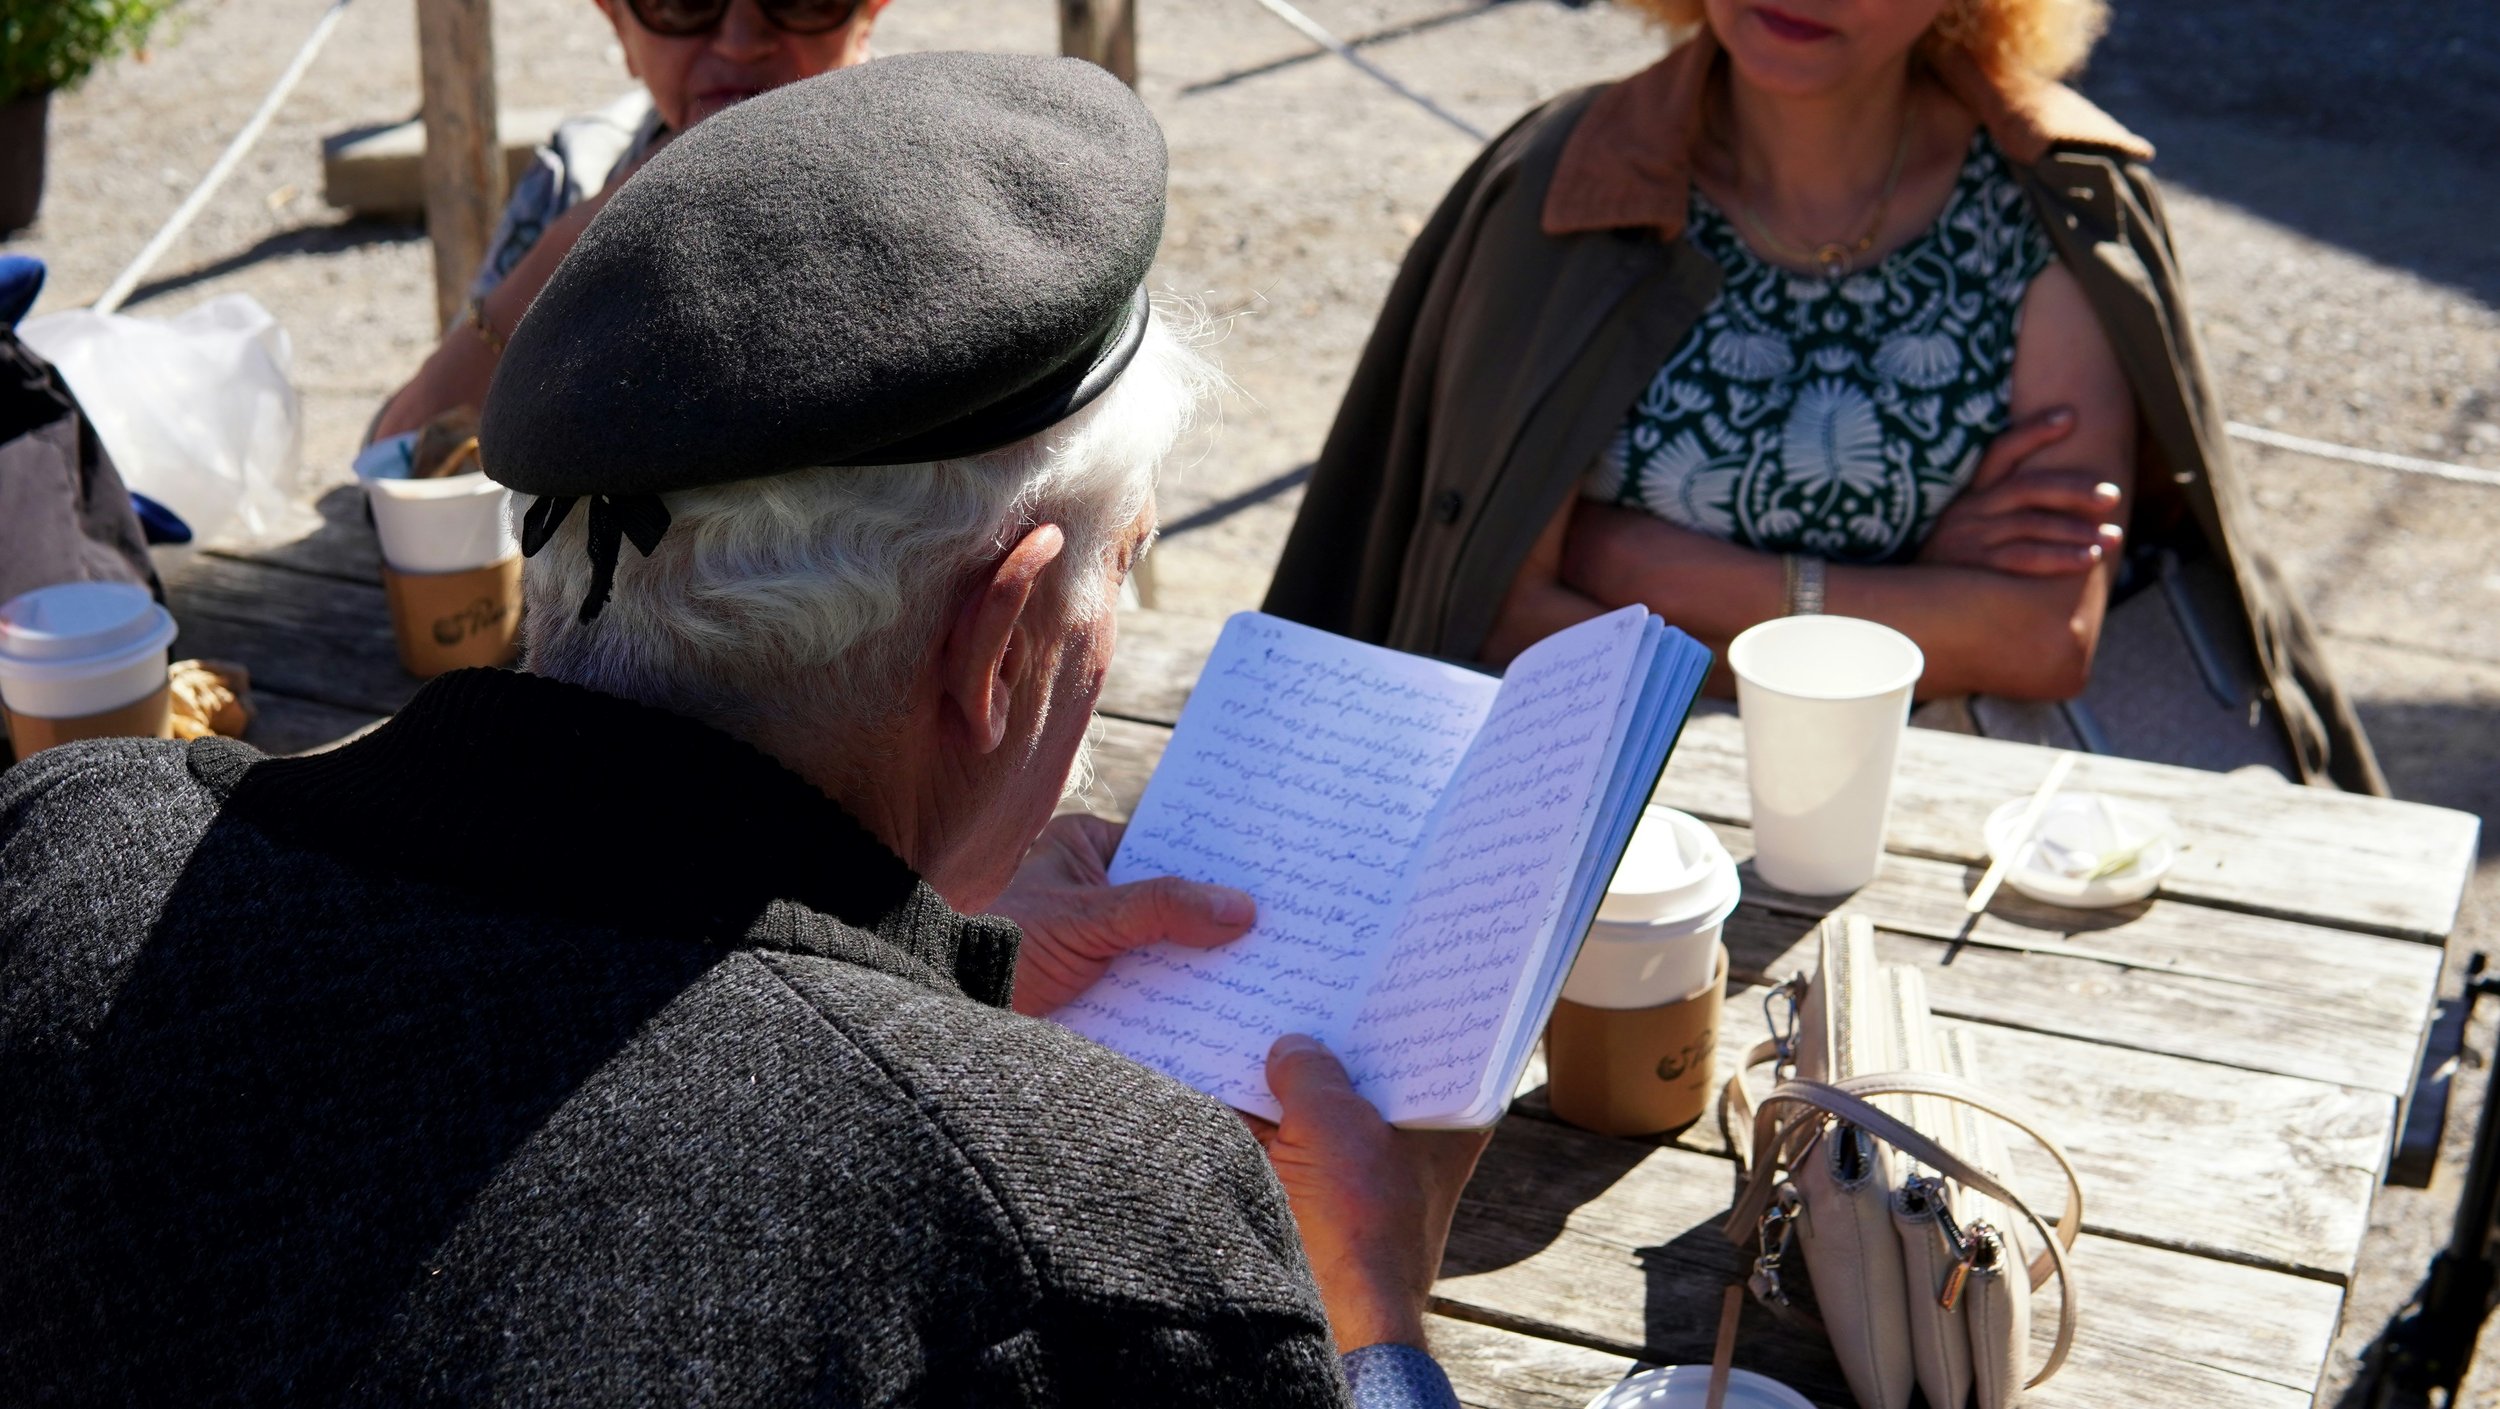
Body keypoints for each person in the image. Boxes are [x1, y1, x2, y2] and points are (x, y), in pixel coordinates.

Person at [0, 57, 1482, 1406]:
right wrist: (1380, 1328)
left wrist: (919, 958)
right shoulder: (1096, 1228)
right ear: (1004, 632)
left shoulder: (64, 851)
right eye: (1121, 564)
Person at [1265, 0, 2382, 791]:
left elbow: (2043, 638)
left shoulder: (2052, 197)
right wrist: (1922, 590)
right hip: (1608, 815)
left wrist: (1632, 563)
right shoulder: (1568, 181)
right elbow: (1505, 619)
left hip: (1954, 827)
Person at [369, 0, 889, 444]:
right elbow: (401, 451)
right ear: (618, 22)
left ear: (870, 10)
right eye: (681, 4)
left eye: (799, 0)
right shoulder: (583, 170)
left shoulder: (929, 184)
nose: (740, 41)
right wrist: (583, 238)